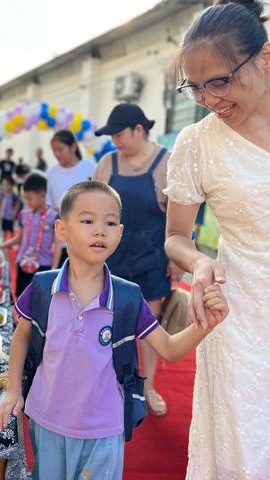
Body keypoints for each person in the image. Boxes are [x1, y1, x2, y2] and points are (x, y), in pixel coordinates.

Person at [0, 181, 228, 480]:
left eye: (110, 222)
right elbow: (22, 335)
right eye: (87, 220)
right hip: (46, 419)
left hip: (104, 428)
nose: (100, 230)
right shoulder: (42, 287)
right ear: (62, 230)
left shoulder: (128, 297)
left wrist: (204, 322)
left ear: (120, 232)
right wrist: (13, 389)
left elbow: (169, 348)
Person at [164, 1, 270, 477]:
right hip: (237, 315)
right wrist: (198, 263)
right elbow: (176, 238)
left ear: (265, 58)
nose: (209, 98)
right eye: (195, 87)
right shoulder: (196, 142)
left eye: (220, 81)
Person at [93, 102, 184, 416]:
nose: (115, 141)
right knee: (107, 324)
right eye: (112, 136)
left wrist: (178, 259)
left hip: (150, 258)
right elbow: (91, 208)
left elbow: (181, 217)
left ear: (139, 130)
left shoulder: (166, 163)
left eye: (119, 134)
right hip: (111, 260)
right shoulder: (107, 164)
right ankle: (108, 384)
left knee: (148, 328)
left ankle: (148, 387)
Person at [0, 173, 61, 297]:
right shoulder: (24, 214)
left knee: (39, 300)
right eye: (26, 198)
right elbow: (20, 238)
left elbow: (58, 245)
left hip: (43, 265)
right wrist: (2, 246)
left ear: (43, 195)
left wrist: (54, 269)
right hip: (23, 263)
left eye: (30, 198)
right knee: (20, 297)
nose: (27, 202)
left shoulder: (54, 217)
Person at [47, 129, 96, 265]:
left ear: (73, 147)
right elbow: (49, 204)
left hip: (87, 236)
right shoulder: (52, 172)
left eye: (60, 149)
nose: (57, 154)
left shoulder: (90, 168)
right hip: (62, 239)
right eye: (54, 151)